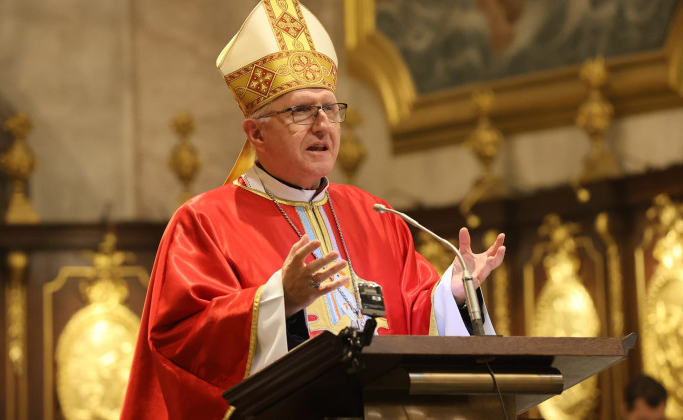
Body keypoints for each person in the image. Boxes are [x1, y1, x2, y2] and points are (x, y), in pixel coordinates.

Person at [121, 1, 506, 419]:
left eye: (331, 108)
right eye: (301, 110)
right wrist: (278, 302)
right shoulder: (205, 223)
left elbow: (410, 316)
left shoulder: (372, 213)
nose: (323, 124)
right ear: (255, 133)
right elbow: (179, 342)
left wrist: (452, 293)